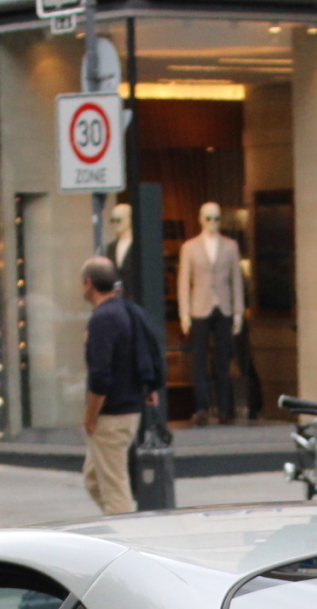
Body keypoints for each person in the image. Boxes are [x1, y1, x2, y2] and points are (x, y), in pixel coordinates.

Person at [78, 255, 161, 516]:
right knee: (93, 480)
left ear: (88, 284)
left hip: (112, 415)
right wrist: (151, 386)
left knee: (115, 490)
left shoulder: (103, 319)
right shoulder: (127, 310)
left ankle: (127, 540)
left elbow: (100, 376)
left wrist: (90, 416)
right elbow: (145, 352)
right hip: (128, 410)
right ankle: (117, 527)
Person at [177, 201, 242, 424]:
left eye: (216, 218)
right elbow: (184, 281)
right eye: (208, 218)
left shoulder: (231, 246)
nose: (213, 223)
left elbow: (237, 281)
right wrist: (184, 313)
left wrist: (238, 312)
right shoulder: (190, 247)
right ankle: (202, 408)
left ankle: (225, 409)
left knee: (223, 360)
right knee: (199, 361)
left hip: (223, 307)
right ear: (200, 219)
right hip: (199, 307)